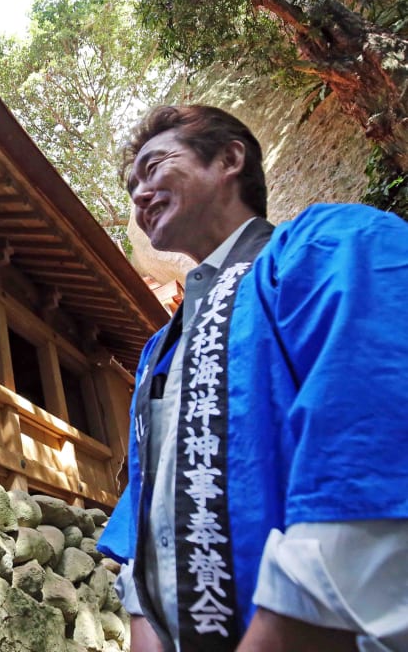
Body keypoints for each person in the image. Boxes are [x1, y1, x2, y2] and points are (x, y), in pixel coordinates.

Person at [96, 105, 408, 652]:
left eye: (154, 167)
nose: (139, 194)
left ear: (229, 159)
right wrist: (143, 620)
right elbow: (145, 502)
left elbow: (372, 427)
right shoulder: (156, 351)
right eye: (131, 187)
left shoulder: (331, 242)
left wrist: (285, 632)